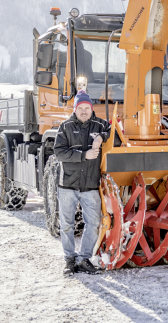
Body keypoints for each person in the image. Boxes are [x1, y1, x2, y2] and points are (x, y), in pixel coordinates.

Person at [53, 90, 110, 275]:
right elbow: (59, 152)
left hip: (90, 186)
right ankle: (69, 259)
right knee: (67, 224)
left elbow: (115, 130)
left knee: (93, 223)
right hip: (68, 185)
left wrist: (102, 136)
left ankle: (84, 259)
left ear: (92, 109)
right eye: (80, 108)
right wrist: (83, 155)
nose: (84, 111)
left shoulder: (99, 124)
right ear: (75, 109)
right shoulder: (65, 127)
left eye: (87, 108)